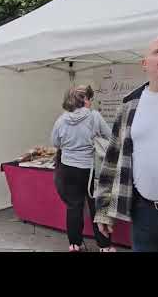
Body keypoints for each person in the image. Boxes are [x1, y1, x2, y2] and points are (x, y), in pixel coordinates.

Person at [95, 35, 158, 252]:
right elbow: (111, 161)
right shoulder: (129, 105)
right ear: (145, 63)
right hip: (144, 214)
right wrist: (104, 208)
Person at [52, 85, 115, 252]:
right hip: (90, 169)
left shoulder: (61, 119)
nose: (91, 102)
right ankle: (104, 246)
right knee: (97, 206)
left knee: (74, 206)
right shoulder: (94, 116)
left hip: (67, 168)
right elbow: (110, 136)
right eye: (90, 98)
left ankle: (74, 244)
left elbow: (55, 143)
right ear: (84, 100)